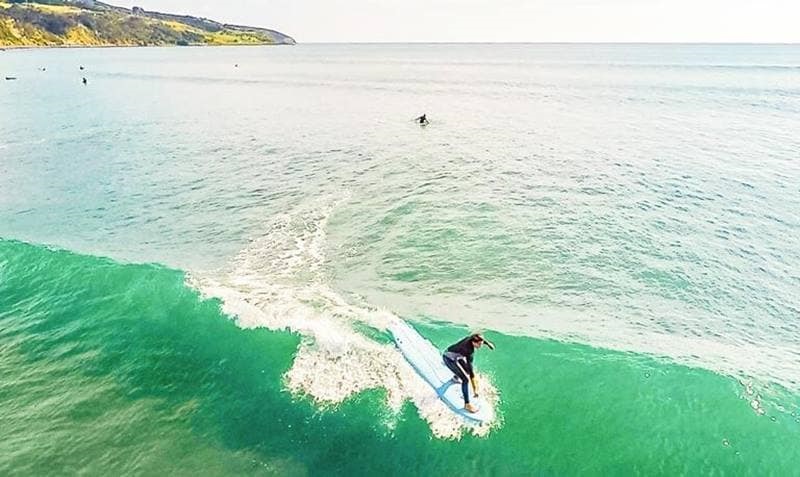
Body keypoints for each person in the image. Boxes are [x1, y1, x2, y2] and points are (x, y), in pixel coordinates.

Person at [443, 333, 495, 413]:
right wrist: (475, 389)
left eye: (481, 344)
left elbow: (480, 338)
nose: (480, 346)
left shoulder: (471, 338)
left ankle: (455, 377)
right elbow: (471, 373)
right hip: (448, 358)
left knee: (466, 371)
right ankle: (467, 404)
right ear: (473, 343)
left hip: (457, 355)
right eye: (479, 345)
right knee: (465, 380)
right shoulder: (469, 351)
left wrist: (488, 344)